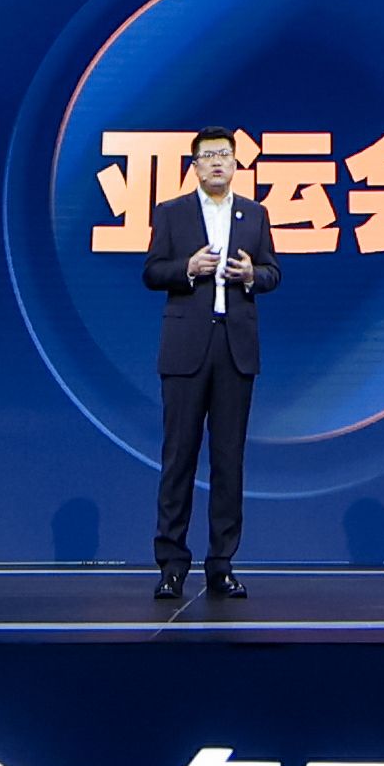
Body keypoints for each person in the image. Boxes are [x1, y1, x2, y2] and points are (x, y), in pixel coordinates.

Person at [144, 125, 278, 600]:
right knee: (179, 456)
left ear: (236, 163)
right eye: (208, 156)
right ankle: (171, 564)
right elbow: (152, 271)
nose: (218, 162)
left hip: (235, 348)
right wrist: (187, 269)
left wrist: (252, 275)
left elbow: (273, 272)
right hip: (186, 348)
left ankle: (221, 564)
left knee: (228, 460)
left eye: (225, 154)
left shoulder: (255, 214)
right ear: (195, 166)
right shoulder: (172, 213)